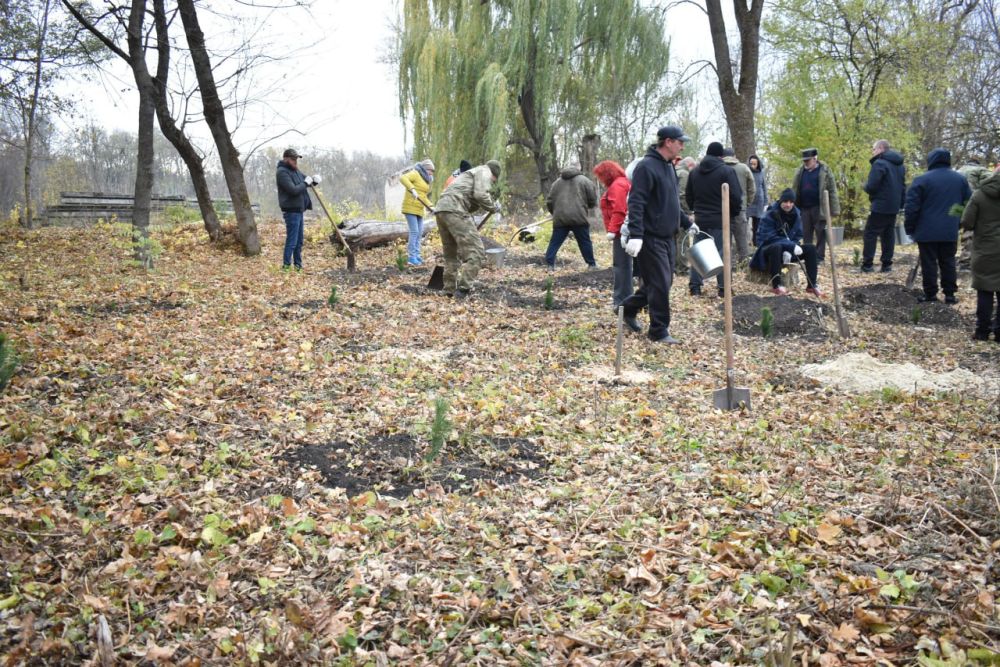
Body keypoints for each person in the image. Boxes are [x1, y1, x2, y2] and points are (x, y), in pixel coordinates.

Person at [620, 125, 691, 344]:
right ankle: (659, 331)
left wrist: (687, 223)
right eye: (680, 142)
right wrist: (636, 234)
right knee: (660, 283)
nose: (682, 146)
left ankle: (626, 308)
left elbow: (670, 202)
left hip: (668, 237)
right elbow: (637, 202)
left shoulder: (669, 166)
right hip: (650, 237)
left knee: (662, 282)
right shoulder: (646, 167)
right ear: (668, 142)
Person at [904, 148, 972, 304]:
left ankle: (930, 294)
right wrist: (957, 221)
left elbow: (911, 208)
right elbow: (968, 204)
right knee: (948, 261)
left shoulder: (921, 180)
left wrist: (910, 228)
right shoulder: (960, 180)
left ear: (931, 160)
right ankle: (950, 294)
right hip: (949, 229)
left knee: (928, 262)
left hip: (926, 231)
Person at [433, 160, 502, 298]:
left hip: (441, 209)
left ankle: (448, 290)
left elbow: (471, 200)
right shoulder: (484, 171)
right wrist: (493, 207)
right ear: (494, 175)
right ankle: (463, 289)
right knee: (477, 251)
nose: (492, 183)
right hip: (455, 209)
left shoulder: (470, 174)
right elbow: (480, 195)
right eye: (493, 181)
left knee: (451, 254)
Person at [685, 141, 742, 297]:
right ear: (721, 156)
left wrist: (696, 209)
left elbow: (688, 195)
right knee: (722, 253)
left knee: (699, 252)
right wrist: (733, 213)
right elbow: (736, 196)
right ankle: (723, 288)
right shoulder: (727, 171)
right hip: (721, 218)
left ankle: (695, 287)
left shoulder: (694, 172)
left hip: (701, 219)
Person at [749, 189, 823, 297]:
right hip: (768, 249)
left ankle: (812, 285)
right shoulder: (770, 214)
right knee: (777, 247)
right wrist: (790, 246)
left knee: (810, 248)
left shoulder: (797, 215)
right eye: (785, 201)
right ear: (780, 201)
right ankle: (776, 285)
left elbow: (798, 235)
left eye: (791, 202)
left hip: (788, 250)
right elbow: (768, 237)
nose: (788, 205)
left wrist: (790, 248)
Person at [960, 164, 1000, 340]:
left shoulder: (980, 194)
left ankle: (982, 331)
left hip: (985, 249)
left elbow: (967, 222)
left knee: (984, 290)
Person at [861, 139, 906, 273]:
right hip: (894, 206)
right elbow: (903, 187)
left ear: (881, 148)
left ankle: (867, 265)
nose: (872, 152)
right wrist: (901, 204)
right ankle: (887, 265)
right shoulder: (900, 166)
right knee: (888, 234)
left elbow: (872, 186)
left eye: (873, 149)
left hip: (880, 205)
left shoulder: (879, 163)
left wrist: (865, 186)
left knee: (870, 233)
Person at [545, 161, 599, 270]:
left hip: (560, 218)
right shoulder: (585, 181)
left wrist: (554, 213)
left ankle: (549, 265)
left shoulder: (556, 183)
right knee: (584, 241)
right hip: (579, 217)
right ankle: (591, 265)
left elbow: (550, 201)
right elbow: (592, 199)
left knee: (555, 242)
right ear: (579, 168)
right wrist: (587, 207)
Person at [594, 160, 632, 309]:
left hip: (622, 233)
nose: (600, 179)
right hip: (623, 231)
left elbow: (619, 210)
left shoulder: (618, 185)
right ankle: (626, 299)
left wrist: (612, 230)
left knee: (621, 267)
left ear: (607, 174)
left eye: (600, 176)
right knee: (625, 266)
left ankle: (621, 301)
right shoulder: (621, 183)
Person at [793, 148, 840, 262]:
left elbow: (832, 190)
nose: (805, 163)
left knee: (820, 232)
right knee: (806, 233)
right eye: (804, 160)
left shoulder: (825, 171)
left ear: (815, 159)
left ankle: (819, 257)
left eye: (808, 160)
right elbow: (794, 188)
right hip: (804, 207)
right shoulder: (800, 171)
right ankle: (808, 256)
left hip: (819, 207)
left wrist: (835, 209)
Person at [275, 148, 318, 271]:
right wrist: (305, 183)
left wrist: (314, 181)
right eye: (293, 159)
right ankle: (286, 266)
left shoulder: (295, 171)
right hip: (291, 211)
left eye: (296, 159)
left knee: (299, 241)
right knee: (292, 241)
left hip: (299, 210)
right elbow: (293, 190)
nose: (295, 161)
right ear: (286, 159)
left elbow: (306, 181)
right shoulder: (282, 172)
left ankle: (298, 266)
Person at [957, 157, 993, 272]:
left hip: (956, 205)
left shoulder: (958, 170)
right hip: (972, 204)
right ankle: (965, 263)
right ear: (977, 163)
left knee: (952, 231)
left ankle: (945, 260)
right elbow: (992, 182)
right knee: (969, 232)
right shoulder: (980, 170)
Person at [398, 158, 435, 267]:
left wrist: (431, 206)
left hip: (419, 209)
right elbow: (403, 178)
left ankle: (417, 256)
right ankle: (411, 257)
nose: (431, 173)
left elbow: (423, 197)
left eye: (433, 171)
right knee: (414, 232)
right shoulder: (416, 173)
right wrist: (412, 189)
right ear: (425, 169)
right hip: (410, 207)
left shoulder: (426, 180)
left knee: (419, 233)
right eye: (430, 170)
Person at [722, 147, 755, 261]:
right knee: (742, 237)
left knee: (725, 238)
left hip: (723, 208)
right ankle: (744, 262)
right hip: (740, 208)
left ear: (722, 156)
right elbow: (752, 188)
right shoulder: (744, 168)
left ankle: (729, 264)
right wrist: (747, 203)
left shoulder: (719, 168)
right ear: (734, 156)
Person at [674, 156, 698, 276]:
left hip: (672, 211)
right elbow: (683, 195)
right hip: (681, 212)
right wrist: (689, 212)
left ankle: (674, 266)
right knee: (683, 240)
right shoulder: (684, 174)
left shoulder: (674, 171)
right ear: (690, 165)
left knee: (675, 240)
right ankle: (682, 268)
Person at [747, 155, 767, 245]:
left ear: (758, 164)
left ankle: (756, 242)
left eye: (754, 164)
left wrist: (765, 201)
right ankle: (746, 241)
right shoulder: (746, 171)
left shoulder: (761, 172)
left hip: (759, 201)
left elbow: (764, 187)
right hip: (748, 200)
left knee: (757, 224)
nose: (752, 166)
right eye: (751, 164)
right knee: (745, 223)